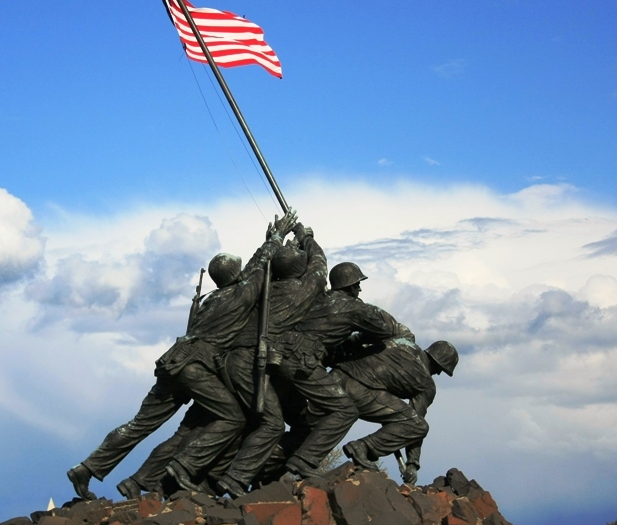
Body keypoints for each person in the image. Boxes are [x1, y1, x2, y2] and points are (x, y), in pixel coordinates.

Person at [66, 211, 297, 499]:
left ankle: (88, 467)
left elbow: (252, 269)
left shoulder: (212, 300)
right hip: (195, 366)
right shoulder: (239, 296)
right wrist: (276, 238)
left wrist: (269, 241)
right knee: (233, 418)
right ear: (235, 275)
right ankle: (183, 467)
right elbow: (259, 269)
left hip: (172, 361)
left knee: (140, 424)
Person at [166, 222, 326, 495]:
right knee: (272, 424)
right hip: (249, 362)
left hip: (229, 362)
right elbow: (320, 268)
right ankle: (228, 477)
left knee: (249, 421)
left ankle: (212, 478)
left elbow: (255, 269)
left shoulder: (257, 288)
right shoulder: (301, 290)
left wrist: (275, 241)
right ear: (299, 270)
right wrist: (307, 238)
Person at [264, 261, 400, 481]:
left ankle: (265, 469)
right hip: (302, 362)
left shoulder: (317, 299)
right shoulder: (353, 307)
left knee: (302, 421)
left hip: (279, 357)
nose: (359, 289)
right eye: (357, 285)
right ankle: (303, 462)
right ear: (349, 286)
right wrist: (363, 316)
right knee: (345, 411)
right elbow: (385, 329)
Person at [336, 335, 458, 484]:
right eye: (441, 369)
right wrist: (412, 464)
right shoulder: (426, 384)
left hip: (335, 377)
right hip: (358, 391)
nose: (438, 373)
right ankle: (362, 447)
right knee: (418, 426)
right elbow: (414, 424)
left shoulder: (403, 343)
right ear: (437, 363)